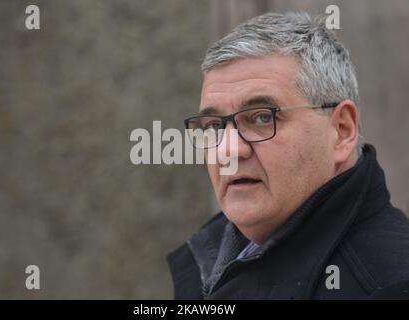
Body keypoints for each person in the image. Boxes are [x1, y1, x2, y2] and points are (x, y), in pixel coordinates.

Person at [166, 12, 409, 299]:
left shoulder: (389, 284)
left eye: (261, 118)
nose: (228, 149)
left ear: (342, 130)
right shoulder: (208, 260)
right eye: (214, 126)